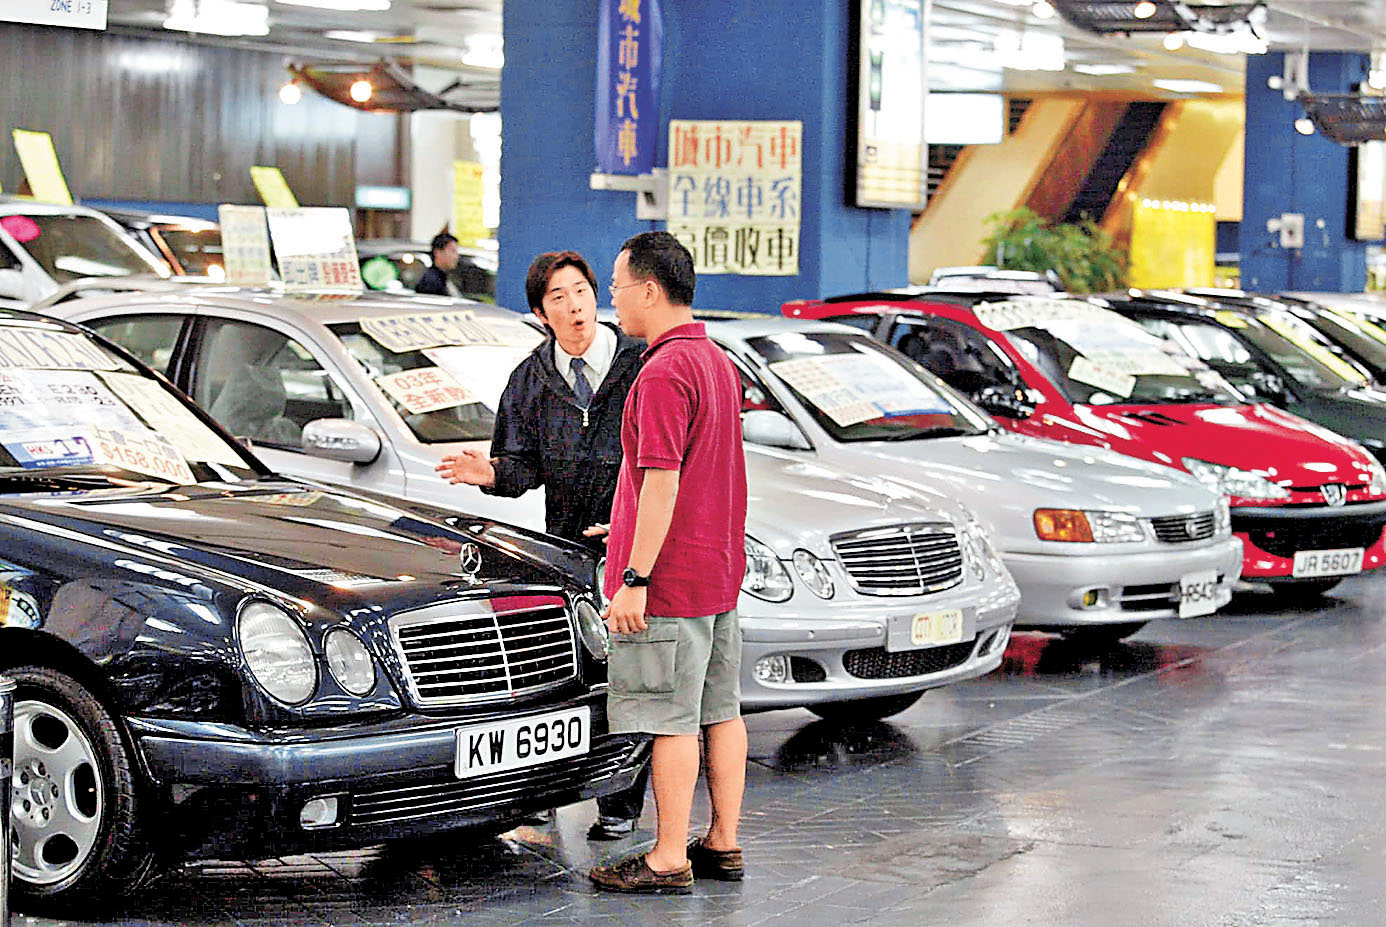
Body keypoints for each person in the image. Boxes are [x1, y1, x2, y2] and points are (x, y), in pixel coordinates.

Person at [434, 249, 652, 839]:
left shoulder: (640, 362)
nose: (575, 305)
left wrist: (636, 528)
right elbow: (521, 466)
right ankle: (547, 792)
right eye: (559, 297)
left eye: (581, 290)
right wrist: (493, 474)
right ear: (541, 312)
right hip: (566, 551)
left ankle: (621, 799)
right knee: (562, 677)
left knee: (629, 675)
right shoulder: (531, 378)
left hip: (636, 543)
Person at [588, 231, 749, 895]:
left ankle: (666, 858)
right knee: (722, 710)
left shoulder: (660, 371)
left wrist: (633, 575)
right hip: (716, 571)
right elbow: (698, 476)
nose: (612, 298)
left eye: (618, 285)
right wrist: (623, 527)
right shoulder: (716, 360)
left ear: (650, 289)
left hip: (670, 583)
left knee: (670, 718)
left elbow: (662, 480)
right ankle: (722, 841)